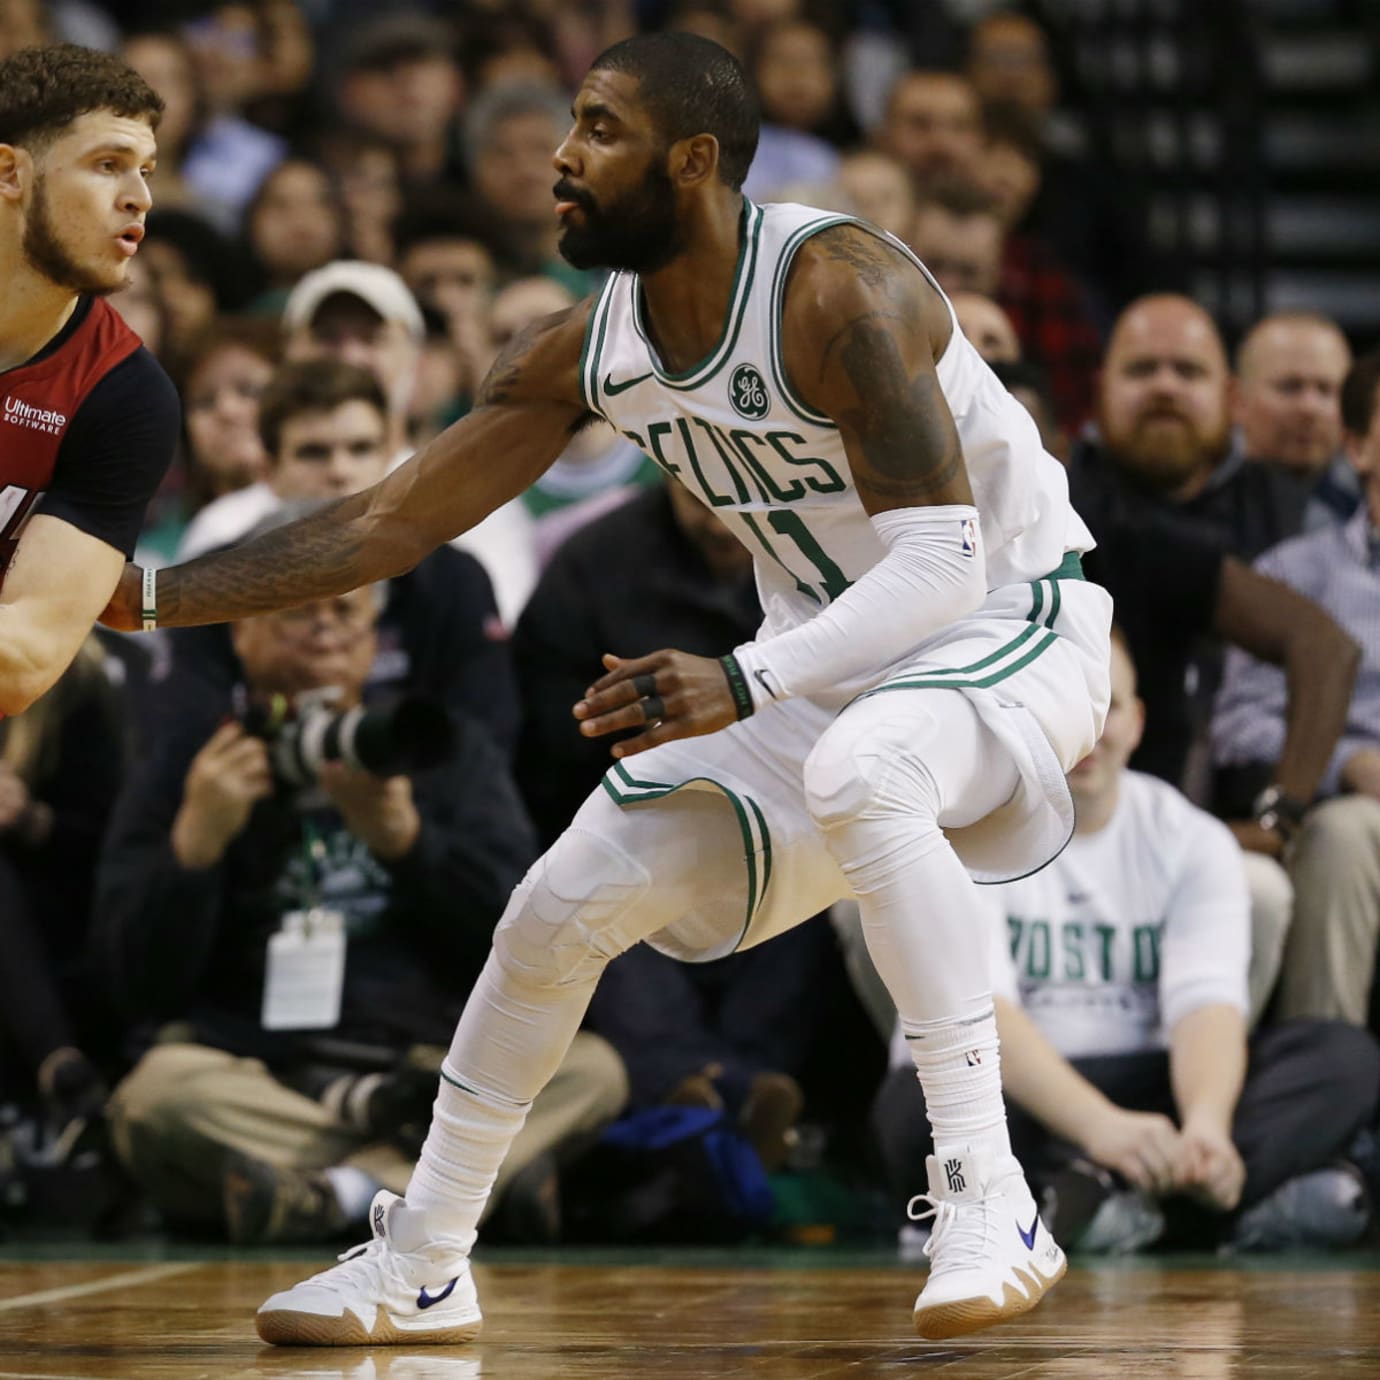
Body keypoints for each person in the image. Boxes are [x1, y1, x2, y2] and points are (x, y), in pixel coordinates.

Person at [104, 33, 1111, 1345]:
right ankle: (423, 1260)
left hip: (1009, 624)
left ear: (692, 163)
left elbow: (943, 555)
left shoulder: (838, 285)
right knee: (558, 904)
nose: (560, 156)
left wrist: (742, 678)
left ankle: (986, 1190)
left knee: (870, 768)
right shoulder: (595, 346)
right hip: (820, 672)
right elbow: (385, 524)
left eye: (598, 128)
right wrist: (144, 596)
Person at [97, 565, 624, 1246]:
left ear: (375, 640)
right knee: (154, 1096)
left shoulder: (435, 745)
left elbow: (527, 941)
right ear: (243, 636)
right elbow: (133, 983)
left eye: (346, 612)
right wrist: (194, 847)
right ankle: (438, 1190)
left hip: (428, 1061)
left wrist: (411, 845)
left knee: (592, 1070)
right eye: (295, 609)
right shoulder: (188, 761)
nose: (324, 627)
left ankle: (330, 1197)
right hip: (261, 1069)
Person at [875, 630, 1379, 1253]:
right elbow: (981, 1015)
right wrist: (1100, 1128)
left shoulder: (1190, 838)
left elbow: (1207, 1005)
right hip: (1024, 1090)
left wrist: (1207, 1131)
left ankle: (1093, 1204)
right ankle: (1205, 1217)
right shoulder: (965, 834)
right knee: (912, 1104)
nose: (1088, 730)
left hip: (1152, 1084)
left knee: (1342, 1056)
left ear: (1137, 723)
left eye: (1107, 707)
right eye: (1064, 704)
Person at [0, 43, 179, 716]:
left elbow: (23, 660)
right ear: (10, 172)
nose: (140, 198)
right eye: (108, 165)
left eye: (147, 171)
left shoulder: (125, 395)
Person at [1213, 348, 1380, 1030]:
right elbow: (1238, 725)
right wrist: (1349, 764)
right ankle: (1327, 1082)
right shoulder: (1295, 573)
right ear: (1358, 447)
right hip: (1359, 812)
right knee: (1346, 834)